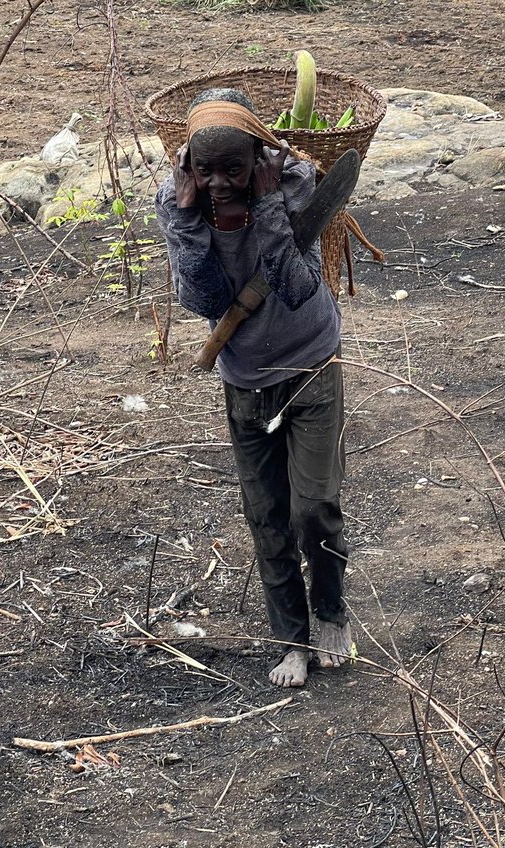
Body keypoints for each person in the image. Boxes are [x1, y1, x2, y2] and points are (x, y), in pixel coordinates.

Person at [155, 87, 352, 688]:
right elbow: (205, 300)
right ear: (188, 165)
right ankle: (290, 640)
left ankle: (332, 612)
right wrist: (190, 222)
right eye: (204, 169)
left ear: (260, 159)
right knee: (267, 516)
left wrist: (267, 210)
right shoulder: (179, 199)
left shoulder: (295, 187)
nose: (216, 182)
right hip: (244, 380)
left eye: (232, 169)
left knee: (313, 507)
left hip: (309, 365)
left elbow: (295, 287)